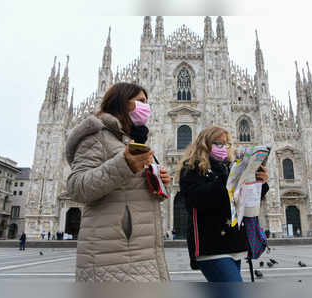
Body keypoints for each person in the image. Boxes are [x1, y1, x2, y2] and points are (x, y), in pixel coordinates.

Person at [66, 82, 171, 282]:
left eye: (147, 102)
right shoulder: (97, 136)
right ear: (122, 103)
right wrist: (125, 164)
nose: (146, 106)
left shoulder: (133, 140)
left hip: (143, 252)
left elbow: (131, 191)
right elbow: (76, 187)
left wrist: (160, 182)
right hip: (112, 255)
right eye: (140, 101)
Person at [178, 126, 269, 282]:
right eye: (218, 143)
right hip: (211, 245)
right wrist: (228, 178)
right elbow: (196, 200)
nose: (223, 148)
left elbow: (243, 202)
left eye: (226, 144)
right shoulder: (191, 169)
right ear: (205, 144)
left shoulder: (228, 167)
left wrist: (258, 182)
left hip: (233, 244)